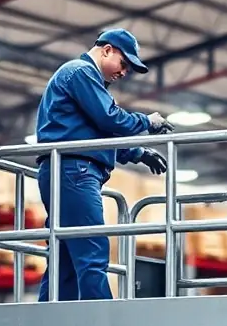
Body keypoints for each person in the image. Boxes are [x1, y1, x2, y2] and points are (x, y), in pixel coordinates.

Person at [33, 27, 173, 302]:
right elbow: (109, 119)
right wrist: (148, 122)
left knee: (65, 260)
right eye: (123, 64)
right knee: (92, 250)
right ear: (107, 49)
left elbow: (98, 133)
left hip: (66, 171)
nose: (124, 73)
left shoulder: (84, 81)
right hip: (74, 171)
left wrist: (137, 152)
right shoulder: (81, 73)